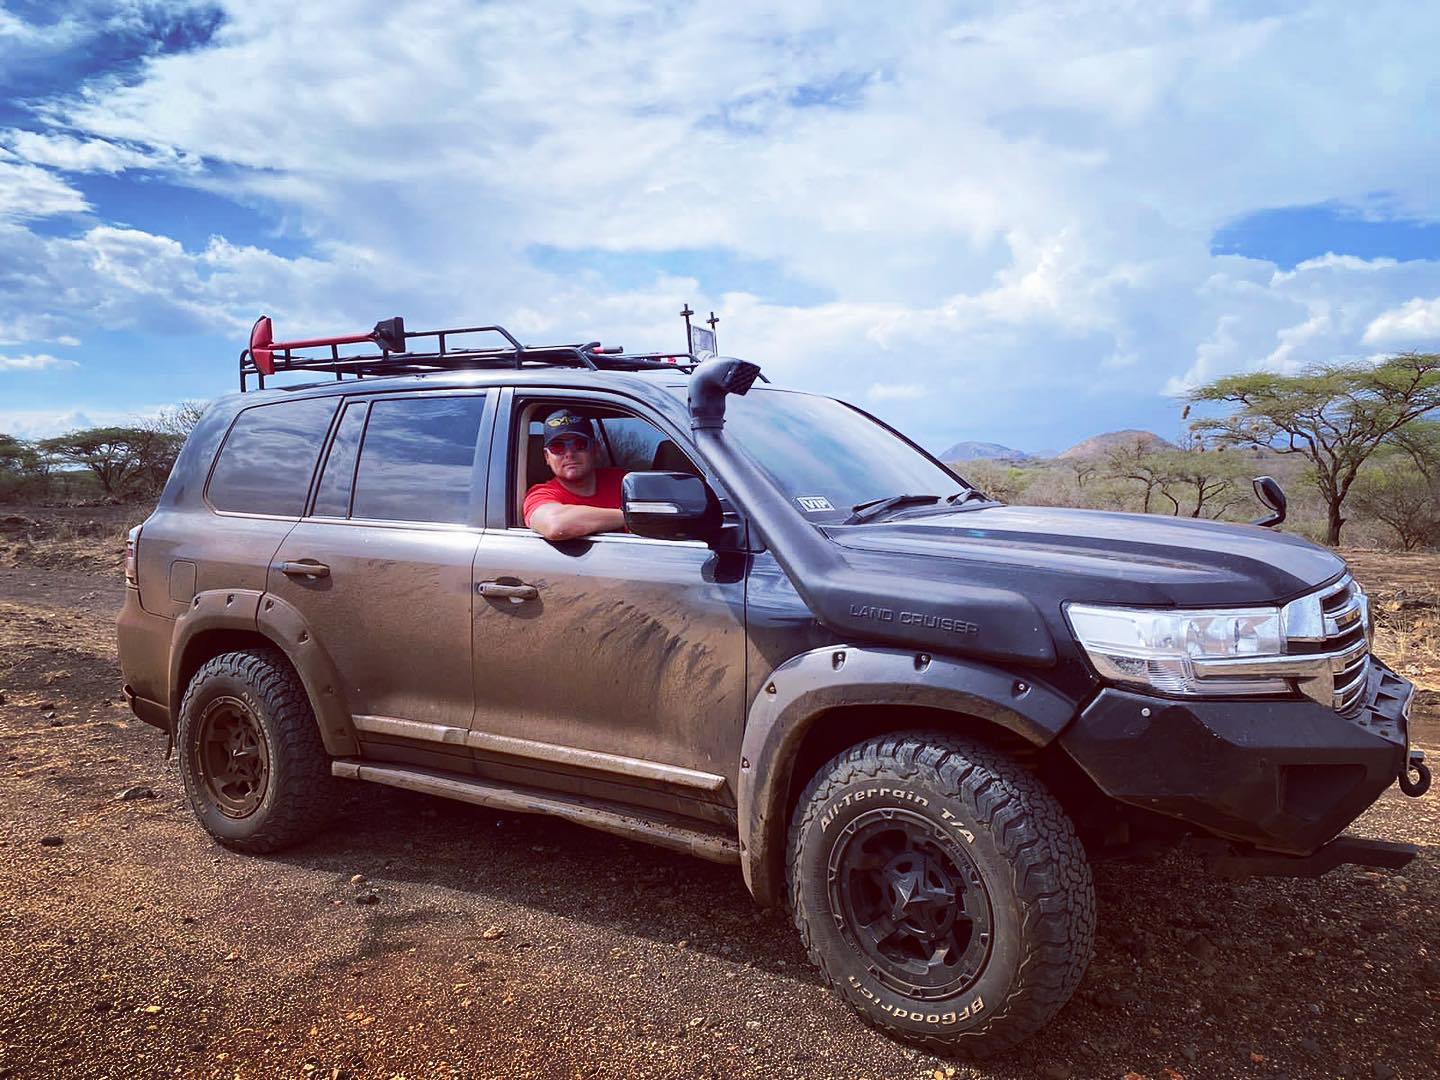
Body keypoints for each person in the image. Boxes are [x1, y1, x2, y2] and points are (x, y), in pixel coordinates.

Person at [523, 411, 628, 540]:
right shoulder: (541, 494)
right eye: (557, 447)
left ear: (595, 449)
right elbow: (556, 525)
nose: (569, 454)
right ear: (547, 457)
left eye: (580, 444)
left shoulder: (623, 482)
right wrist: (631, 517)